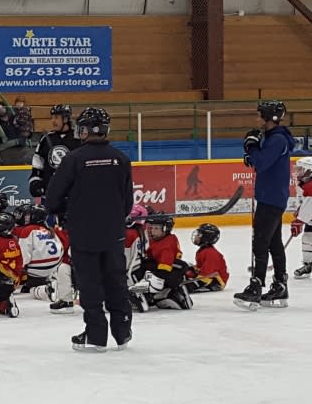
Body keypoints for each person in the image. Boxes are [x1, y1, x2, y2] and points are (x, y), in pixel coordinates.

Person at [45, 107, 133, 352]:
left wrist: (66, 209)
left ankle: (95, 335)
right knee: (116, 280)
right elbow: (128, 203)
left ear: (83, 129)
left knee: (90, 283)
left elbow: (52, 199)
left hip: (84, 232)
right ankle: (123, 330)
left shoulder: (73, 159)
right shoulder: (121, 159)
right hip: (114, 232)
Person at [234, 101, 295, 310]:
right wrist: (251, 153)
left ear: (271, 119)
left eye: (260, 116)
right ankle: (279, 285)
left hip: (270, 199)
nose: (257, 120)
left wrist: (250, 147)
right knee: (273, 242)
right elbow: (262, 162)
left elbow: (262, 162)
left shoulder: (277, 139)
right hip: (272, 197)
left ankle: (256, 286)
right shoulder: (274, 138)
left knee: (260, 242)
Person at [133, 214, 194, 310]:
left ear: (165, 229)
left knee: (151, 271)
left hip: (169, 272)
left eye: (156, 228)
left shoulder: (166, 247)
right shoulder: (160, 238)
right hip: (168, 266)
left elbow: (164, 270)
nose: (152, 231)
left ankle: (163, 292)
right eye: (151, 227)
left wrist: (152, 281)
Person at [29, 104, 81, 200]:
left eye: (56, 118)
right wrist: (35, 182)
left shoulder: (78, 139)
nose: (53, 121)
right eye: (52, 118)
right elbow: (37, 165)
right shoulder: (46, 139)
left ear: (65, 119)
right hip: (50, 196)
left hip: (74, 197)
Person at [14, 205, 65, 299]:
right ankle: (50, 281)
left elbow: (24, 257)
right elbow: (61, 249)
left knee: (31, 289)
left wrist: (16, 270)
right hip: (54, 268)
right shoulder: (50, 229)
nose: (26, 218)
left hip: (37, 270)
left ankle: (43, 290)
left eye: (29, 215)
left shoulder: (27, 230)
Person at [186, 223, 229, 292]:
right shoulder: (203, 250)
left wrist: (190, 286)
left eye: (198, 235)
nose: (196, 236)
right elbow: (200, 267)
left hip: (216, 282)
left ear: (205, 238)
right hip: (207, 275)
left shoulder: (211, 254)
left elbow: (206, 275)